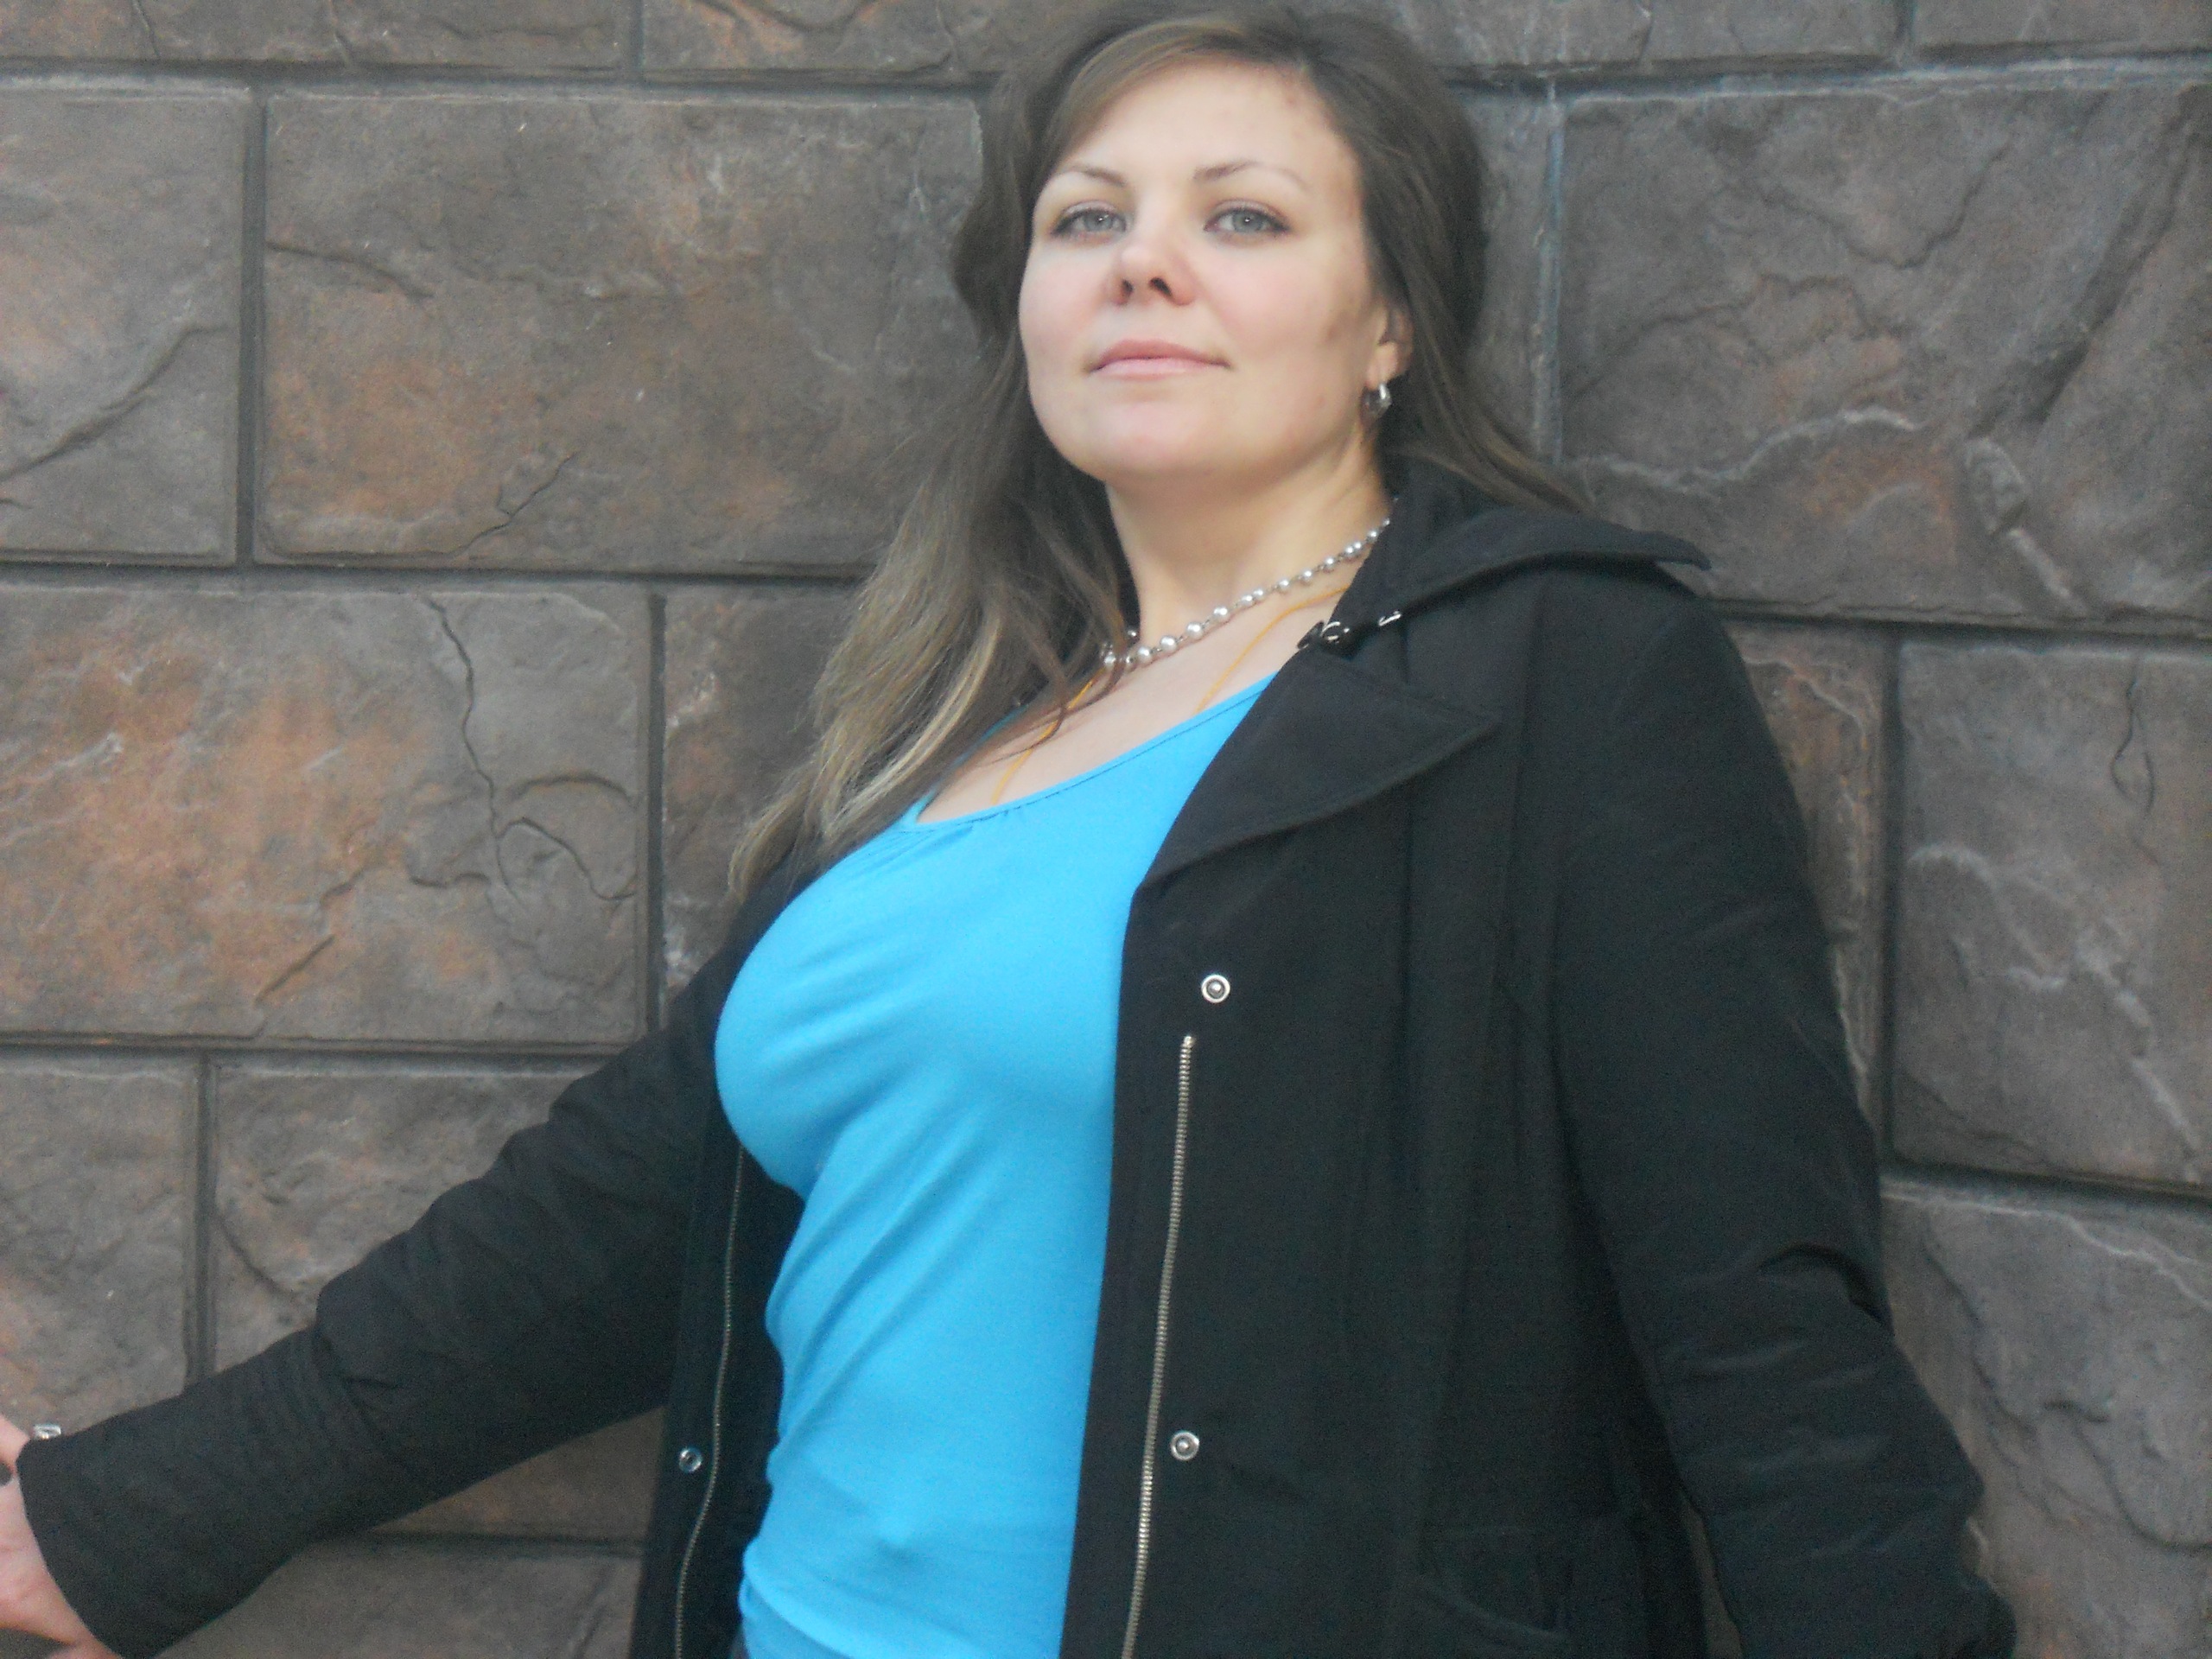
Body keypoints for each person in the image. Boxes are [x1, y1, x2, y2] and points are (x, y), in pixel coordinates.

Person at [0, 3, 2017, 1656]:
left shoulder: (1558, 680)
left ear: (1388, 324)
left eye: (1242, 218)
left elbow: (1762, 1334)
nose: (1141, 260)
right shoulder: (952, 726)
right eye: (1085, 217)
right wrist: (128, 1522)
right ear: (1027, 307)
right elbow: (605, 1225)